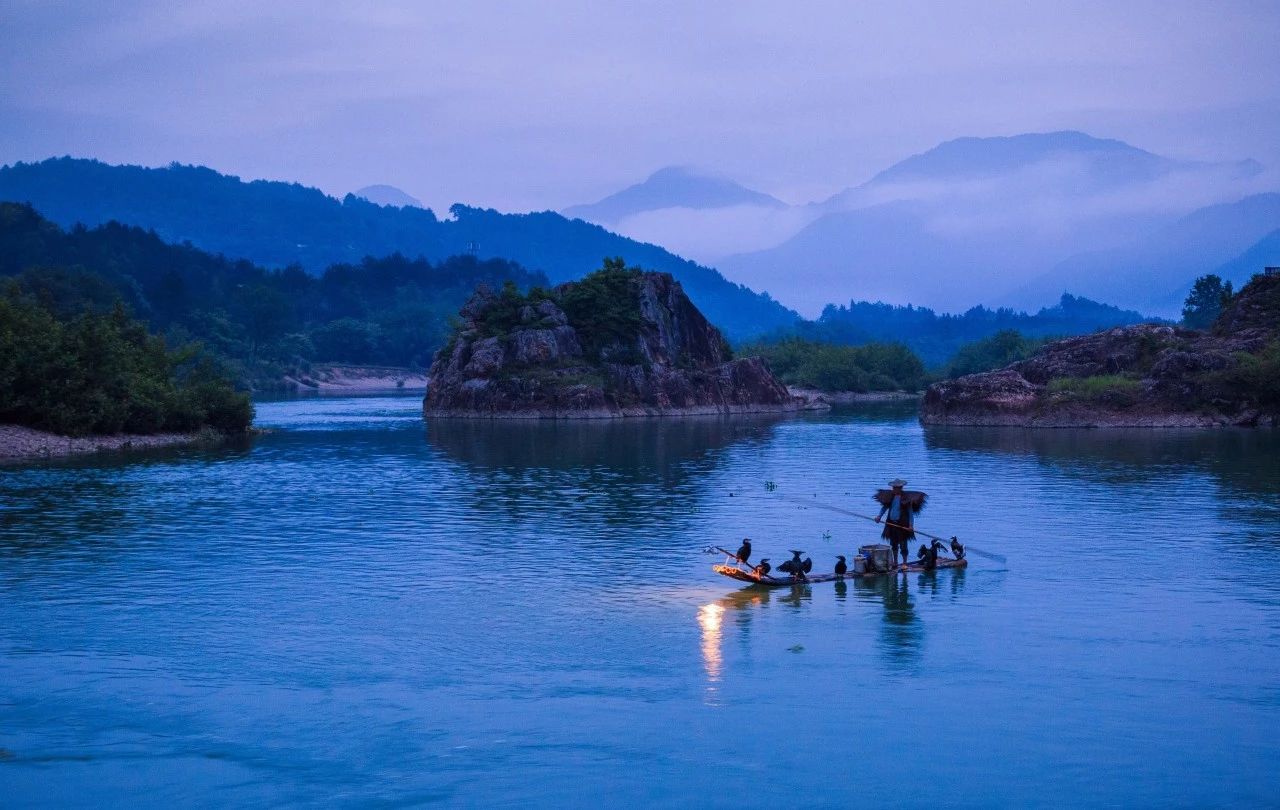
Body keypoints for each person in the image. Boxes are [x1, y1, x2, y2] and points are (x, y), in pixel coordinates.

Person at [874, 478, 928, 568]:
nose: (894, 489)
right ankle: (895, 562)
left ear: (901, 488)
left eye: (896, 488)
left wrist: (911, 525)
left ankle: (904, 563)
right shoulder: (890, 497)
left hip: (902, 525)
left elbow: (910, 513)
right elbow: (884, 508)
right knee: (893, 544)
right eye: (893, 487)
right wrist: (879, 516)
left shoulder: (906, 499)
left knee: (903, 544)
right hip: (891, 524)